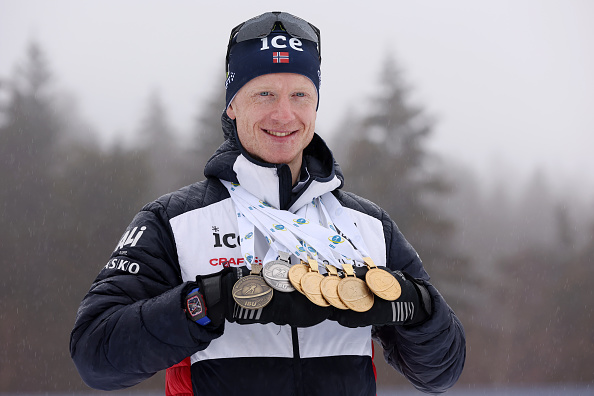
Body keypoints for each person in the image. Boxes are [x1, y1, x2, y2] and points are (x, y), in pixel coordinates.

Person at [70, 11, 465, 396]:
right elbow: (96, 355)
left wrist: (417, 307)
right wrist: (208, 300)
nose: (284, 114)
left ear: (315, 106)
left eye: (300, 95)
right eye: (264, 94)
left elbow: (441, 373)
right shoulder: (175, 221)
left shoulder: (369, 225)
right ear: (232, 105)